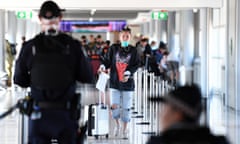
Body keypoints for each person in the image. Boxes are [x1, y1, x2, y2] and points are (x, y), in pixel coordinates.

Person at [14, 1, 93, 143]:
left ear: (40, 19)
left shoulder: (30, 47)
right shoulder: (73, 46)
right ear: (60, 18)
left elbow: (19, 79)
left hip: (39, 115)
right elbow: (87, 76)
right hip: (66, 115)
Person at [147, 84, 230, 144]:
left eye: (165, 109)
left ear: (177, 114)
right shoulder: (219, 141)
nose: (160, 114)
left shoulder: (159, 142)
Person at [99, 26, 139, 139]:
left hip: (128, 83)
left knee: (126, 107)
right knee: (114, 106)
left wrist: (128, 73)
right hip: (115, 82)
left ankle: (125, 128)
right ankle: (118, 125)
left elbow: (136, 65)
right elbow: (107, 60)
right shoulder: (113, 48)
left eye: (127, 36)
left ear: (130, 37)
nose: (125, 37)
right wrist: (103, 66)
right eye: (123, 36)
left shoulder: (134, 50)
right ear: (120, 37)